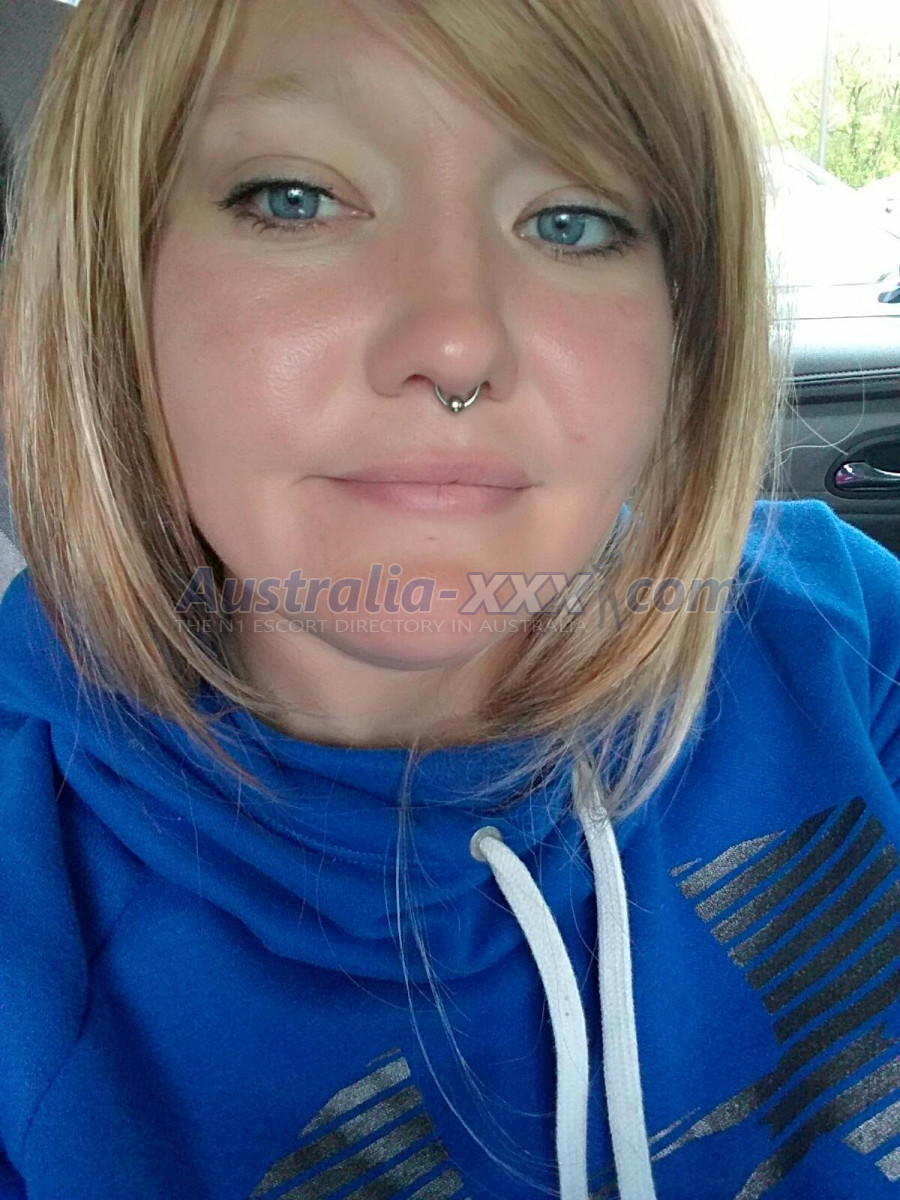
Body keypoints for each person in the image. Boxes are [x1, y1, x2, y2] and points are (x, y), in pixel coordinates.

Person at [0, 0, 898, 1197]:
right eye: (295, 197)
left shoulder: (841, 642)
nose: (459, 342)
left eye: (573, 220)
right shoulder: (32, 916)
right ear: (118, 287)